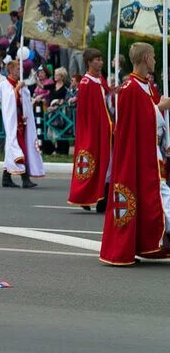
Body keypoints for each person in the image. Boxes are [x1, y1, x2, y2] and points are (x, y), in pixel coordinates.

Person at [99, 42, 170, 266]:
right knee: (160, 196)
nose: (156, 60)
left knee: (157, 197)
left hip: (151, 151)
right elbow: (132, 124)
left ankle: (151, 242)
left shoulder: (145, 85)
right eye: (153, 57)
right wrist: (160, 107)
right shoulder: (129, 87)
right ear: (145, 58)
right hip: (138, 155)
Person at [67, 49, 112, 213]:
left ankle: (103, 198)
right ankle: (84, 197)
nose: (100, 62)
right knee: (90, 166)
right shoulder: (86, 83)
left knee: (106, 166)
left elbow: (108, 101)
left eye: (101, 59)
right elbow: (87, 112)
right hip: (93, 132)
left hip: (105, 129)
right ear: (89, 62)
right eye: (97, 60)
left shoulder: (100, 80)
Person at [0, 60, 43, 188]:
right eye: (17, 69)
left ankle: (6, 178)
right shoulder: (5, 85)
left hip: (20, 121)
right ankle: (25, 178)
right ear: (10, 70)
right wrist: (18, 89)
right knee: (20, 148)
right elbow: (9, 102)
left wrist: (23, 94)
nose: (20, 71)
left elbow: (24, 101)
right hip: (13, 123)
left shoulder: (19, 83)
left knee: (13, 149)